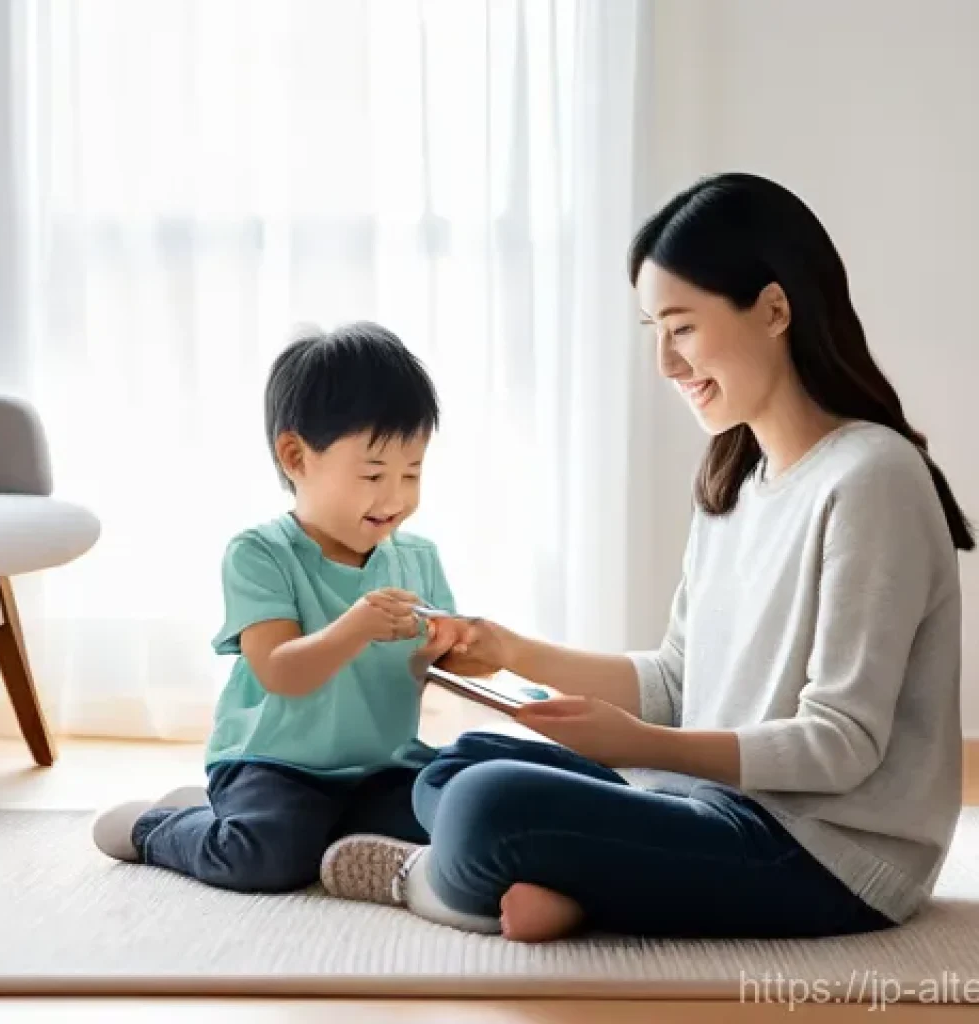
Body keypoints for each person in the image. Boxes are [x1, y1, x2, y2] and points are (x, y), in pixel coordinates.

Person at [318, 172, 973, 943]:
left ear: (773, 309)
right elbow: (674, 681)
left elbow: (840, 745)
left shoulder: (871, 479)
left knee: (487, 806)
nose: (665, 361)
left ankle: (428, 881)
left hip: (828, 858)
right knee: (450, 765)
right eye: (652, 330)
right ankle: (571, 887)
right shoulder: (736, 479)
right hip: (707, 803)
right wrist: (509, 651)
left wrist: (638, 747)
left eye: (683, 326)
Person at [92, 321, 470, 892]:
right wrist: (358, 624)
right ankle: (161, 825)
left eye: (411, 473)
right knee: (264, 859)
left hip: (381, 767)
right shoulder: (260, 553)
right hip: (275, 763)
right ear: (296, 457)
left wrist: (464, 646)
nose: (395, 498)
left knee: (461, 824)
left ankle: (321, 830)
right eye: (373, 474)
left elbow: (444, 660)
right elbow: (280, 671)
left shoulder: (417, 556)